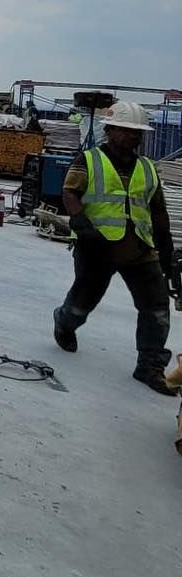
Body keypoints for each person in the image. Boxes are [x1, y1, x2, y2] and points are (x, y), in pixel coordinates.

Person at [53, 101, 175, 394]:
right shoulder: (89, 160)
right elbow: (70, 192)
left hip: (139, 248)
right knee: (82, 303)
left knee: (157, 307)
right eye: (127, 130)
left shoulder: (147, 168)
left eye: (138, 132)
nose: (134, 136)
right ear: (110, 130)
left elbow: (158, 210)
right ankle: (65, 322)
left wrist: (167, 249)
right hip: (98, 246)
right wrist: (80, 222)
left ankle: (150, 366)